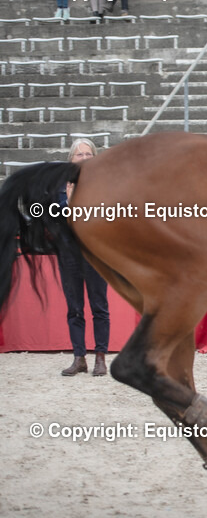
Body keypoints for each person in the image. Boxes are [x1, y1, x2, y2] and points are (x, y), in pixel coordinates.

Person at [57, 139, 110, 377]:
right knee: (74, 307)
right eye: (80, 154)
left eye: (89, 154)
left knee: (99, 307)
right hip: (69, 253)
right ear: (71, 159)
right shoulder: (59, 184)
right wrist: (68, 201)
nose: (85, 158)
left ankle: (100, 357)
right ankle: (79, 358)